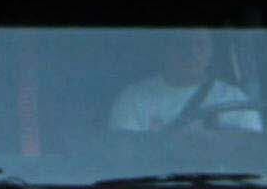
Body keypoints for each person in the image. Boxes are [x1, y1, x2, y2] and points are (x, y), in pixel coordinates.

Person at [108, 29, 253, 133]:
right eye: (182, 44)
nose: (192, 53)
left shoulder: (236, 100)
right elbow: (126, 158)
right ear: (165, 50)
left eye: (200, 45)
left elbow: (251, 155)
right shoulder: (133, 99)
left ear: (211, 51)